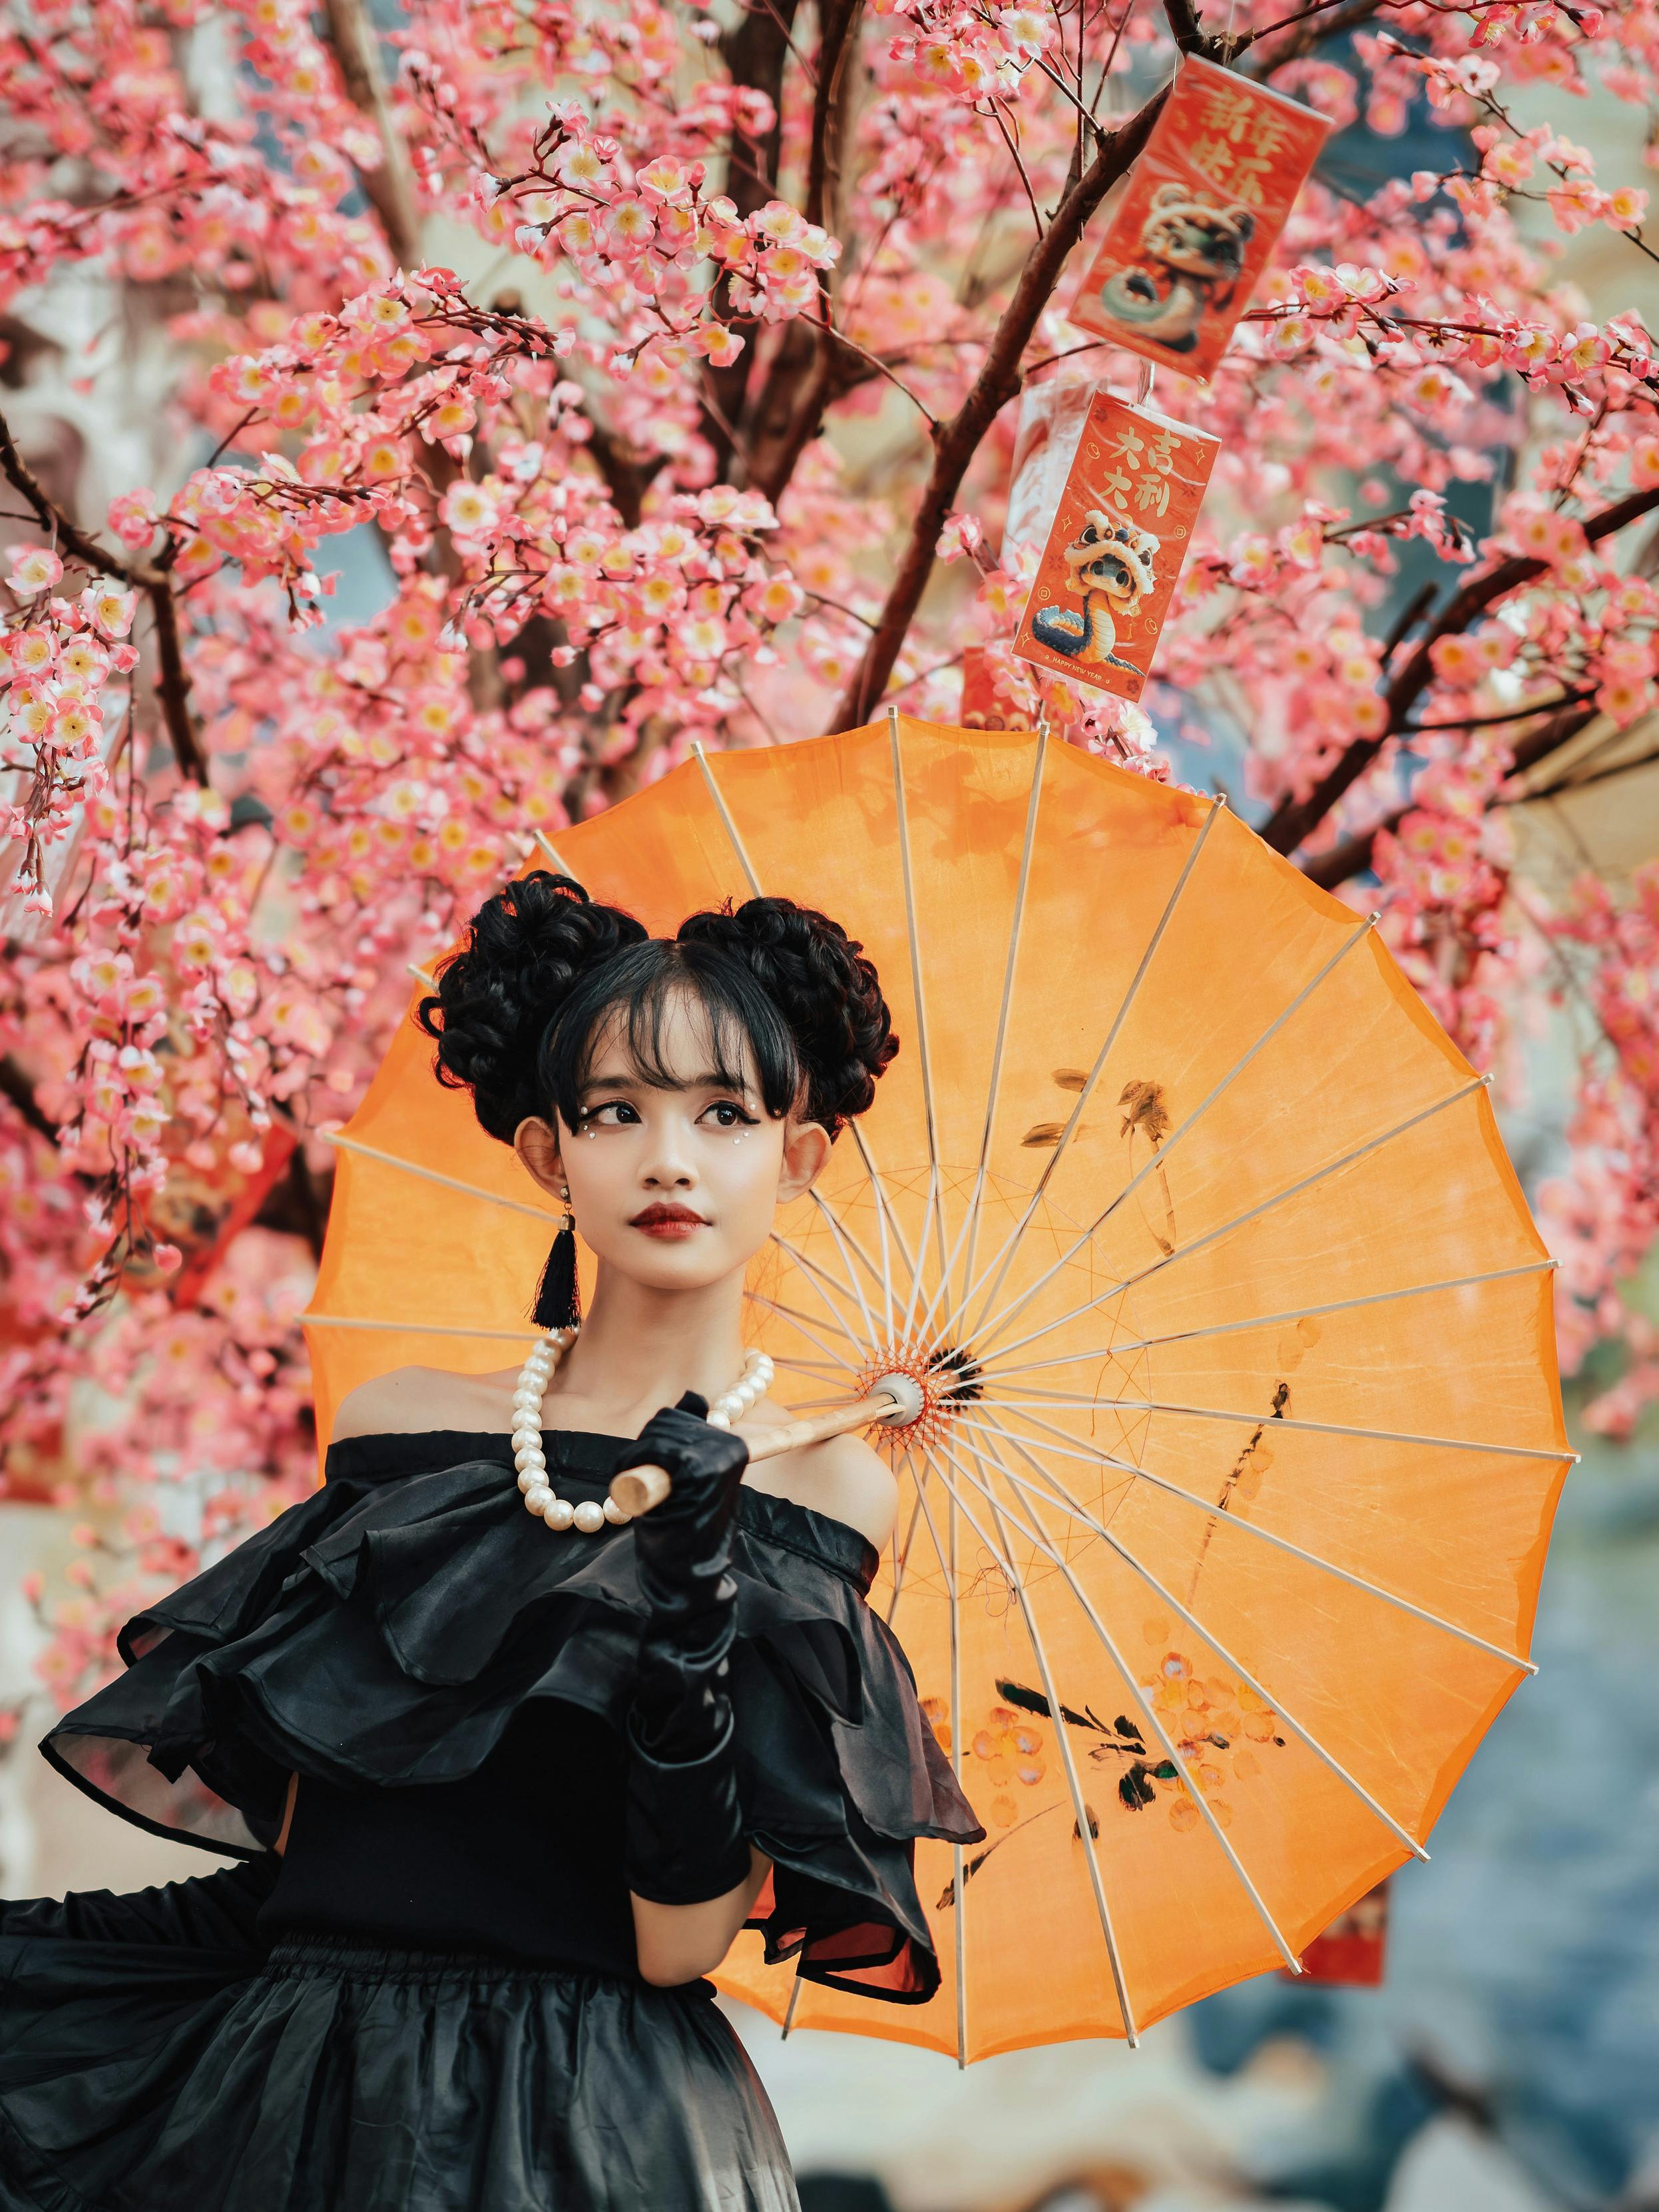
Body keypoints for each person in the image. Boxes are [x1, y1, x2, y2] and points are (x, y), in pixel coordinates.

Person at [0, 873, 983, 2212]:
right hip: (299, 2090)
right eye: (615, 1111)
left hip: (584, 2122)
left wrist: (691, 1626)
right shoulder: (401, 1434)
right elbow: (318, 1860)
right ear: (546, 1153)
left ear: (794, 1157)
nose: (670, 1158)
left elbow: (682, 1943)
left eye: (725, 1114)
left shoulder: (823, 1485)